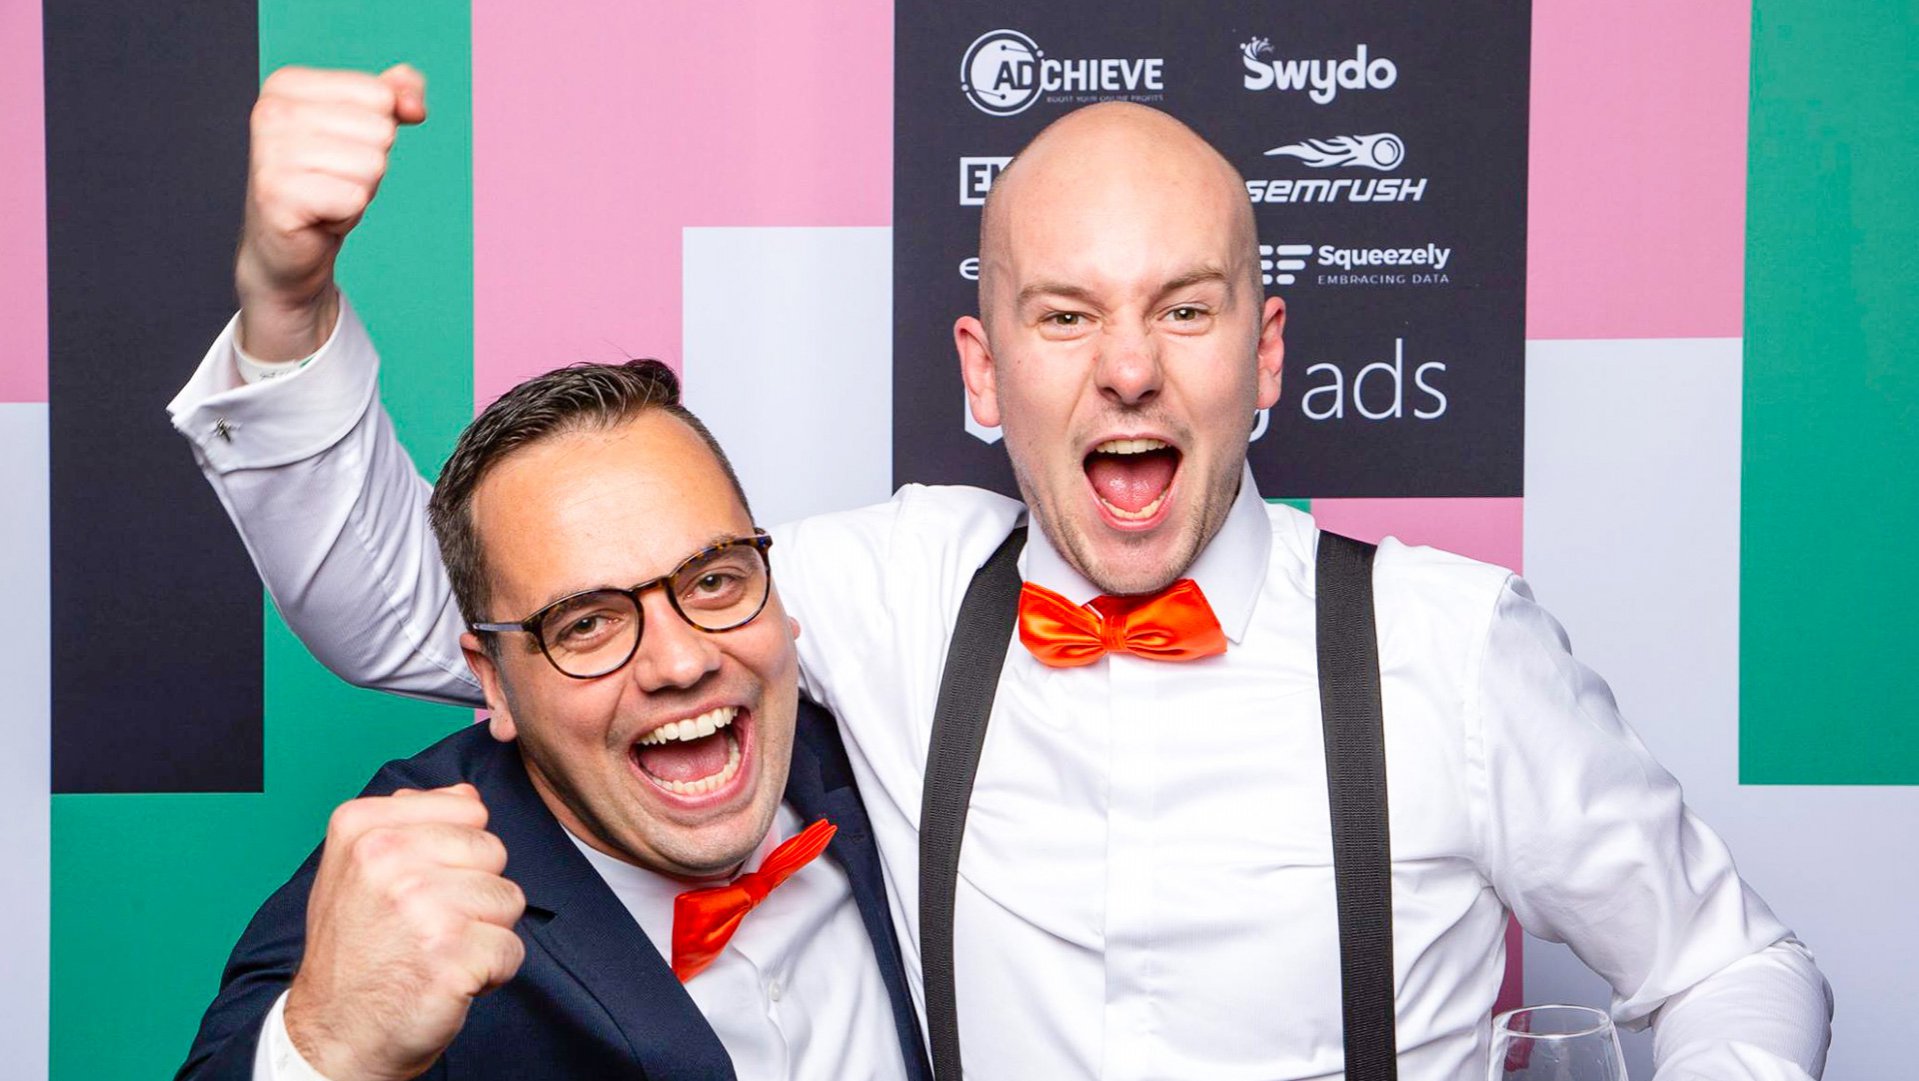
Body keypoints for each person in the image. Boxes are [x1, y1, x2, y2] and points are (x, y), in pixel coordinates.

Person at [171, 65, 1833, 1080]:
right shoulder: (887, 593)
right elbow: (464, 612)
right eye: (1063, 315)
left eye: (1184, 309)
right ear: (982, 372)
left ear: (1262, 356)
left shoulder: (1452, 650)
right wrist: (286, 308)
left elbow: (1734, 966)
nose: (1128, 368)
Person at [175, 356, 930, 1080]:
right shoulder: (413, 867)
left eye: (712, 581)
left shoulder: (889, 744)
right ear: (493, 684)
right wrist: (332, 1045)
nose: (679, 662)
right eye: (586, 623)